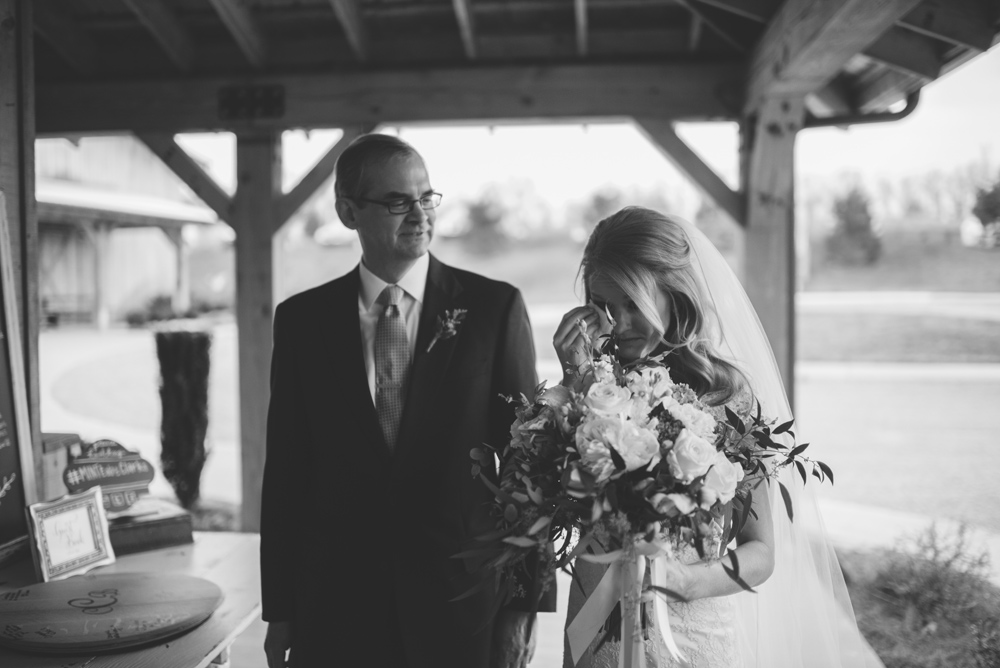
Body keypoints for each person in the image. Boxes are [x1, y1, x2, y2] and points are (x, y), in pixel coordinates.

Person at [260, 133, 553, 668]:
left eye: (426, 197)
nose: (419, 214)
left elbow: (525, 467)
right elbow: (287, 471)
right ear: (349, 212)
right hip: (336, 608)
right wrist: (280, 609)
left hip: (460, 605)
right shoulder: (302, 322)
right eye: (397, 202)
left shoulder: (494, 309)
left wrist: (522, 605)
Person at [552, 207, 883, 667]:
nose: (618, 323)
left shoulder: (725, 393)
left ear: (673, 294)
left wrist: (688, 581)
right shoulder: (592, 386)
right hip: (594, 624)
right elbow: (555, 502)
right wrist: (575, 380)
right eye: (603, 305)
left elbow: (762, 552)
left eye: (632, 304)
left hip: (689, 628)